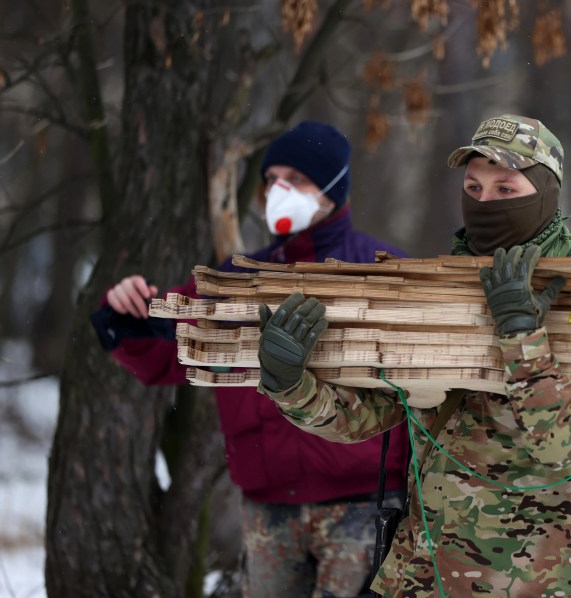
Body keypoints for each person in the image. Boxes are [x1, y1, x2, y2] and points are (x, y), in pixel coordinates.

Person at [256, 114, 571, 597]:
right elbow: (365, 418)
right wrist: (291, 385)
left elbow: (565, 451)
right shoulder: (439, 294)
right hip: (420, 578)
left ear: (546, 193)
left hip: (531, 584)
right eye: (474, 187)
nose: (484, 202)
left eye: (505, 189)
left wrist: (521, 333)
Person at [90, 121, 410, 598]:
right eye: (271, 178)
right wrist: (124, 311)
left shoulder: (383, 273)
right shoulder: (236, 280)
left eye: (296, 179)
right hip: (268, 512)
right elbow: (164, 351)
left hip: (363, 508)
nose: (278, 191)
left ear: (332, 187)